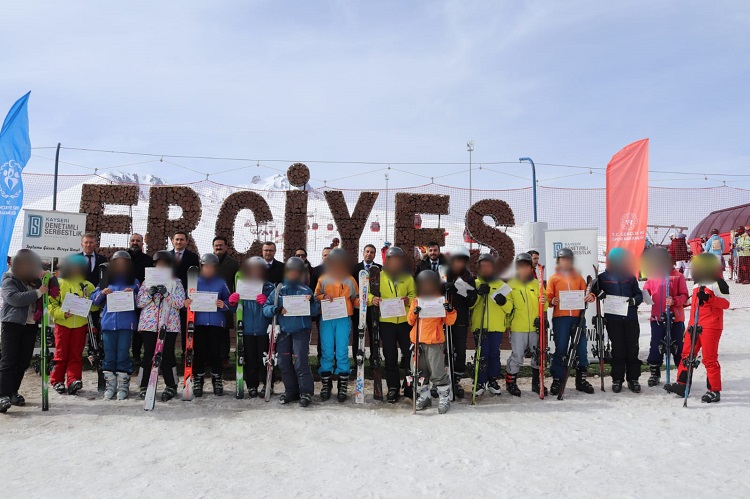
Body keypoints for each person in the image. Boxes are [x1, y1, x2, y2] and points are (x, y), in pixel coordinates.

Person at [665, 253, 730, 403]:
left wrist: (709, 298)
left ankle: (714, 390)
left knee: (709, 358)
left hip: (711, 325)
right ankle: (682, 384)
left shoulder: (718, 282)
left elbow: (726, 303)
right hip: (694, 324)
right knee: (686, 355)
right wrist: (675, 301)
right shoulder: (697, 283)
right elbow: (691, 301)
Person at [263, 257, 320, 407]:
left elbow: (315, 311)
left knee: (301, 361)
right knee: (283, 362)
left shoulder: (305, 290)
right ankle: (291, 390)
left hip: (300, 330)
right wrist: (276, 309)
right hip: (284, 331)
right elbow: (266, 308)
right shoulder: (279, 290)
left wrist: (312, 301)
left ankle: (306, 392)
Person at [0, 250, 48, 412]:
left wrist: (46, 278)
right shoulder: (8, 278)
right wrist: (38, 292)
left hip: (30, 325)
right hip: (12, 324)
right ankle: (2, 395)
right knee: (8, 361)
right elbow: (15, 298)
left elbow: (49, 283)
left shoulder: (32, 279)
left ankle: (13, 392)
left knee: (23, 361)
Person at [592, 248, 643, 393]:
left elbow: (638, 294)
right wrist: (598, 293)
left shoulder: (629, 276)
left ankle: (633, 379)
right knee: (618, 349)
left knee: (632, 349)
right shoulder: (603, 277)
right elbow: (593, 289)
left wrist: (634, 300)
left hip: (630, 318)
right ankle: (617, 379)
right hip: (613, 319)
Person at [368, 246, 416, 403]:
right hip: (386, 322)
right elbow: (366, 293)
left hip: (404, 322)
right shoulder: (378, 277)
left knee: (409, 356)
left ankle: (409, 385)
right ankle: (393, 387)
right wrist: (371, 299)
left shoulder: (407, 277)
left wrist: (409, 300)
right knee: (390, 356)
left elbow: (414, 296)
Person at [546, 248, 596, 396]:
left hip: (578, 317)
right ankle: (557, 379)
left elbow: (587, 292)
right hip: (561, 318)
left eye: (568, 259)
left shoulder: (578, 278)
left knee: (581, 347)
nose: (565, 262)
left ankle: (581, 379)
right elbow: (548, 295)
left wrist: (591, 296)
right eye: (563, 259)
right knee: (561, 348)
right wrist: (552, 300)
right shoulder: (554, 278)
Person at [136, 251, 185, 402]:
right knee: (149, 354)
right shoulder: (146, 282)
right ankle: (144, 385)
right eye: (159, 264)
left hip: (169, 324)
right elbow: (139, 303)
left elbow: (180, 303)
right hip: (149, 323)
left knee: (167, 355)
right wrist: (149, 294)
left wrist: (167, 294)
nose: (161, 266)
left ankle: (171, 385)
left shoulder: (176, 282)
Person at [90, 251, 140, 400]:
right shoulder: (105, 279)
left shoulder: (134, 281)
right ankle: (110, 386)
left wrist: (133, 294)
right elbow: (94, 299)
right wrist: (103, 292)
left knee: (123, 353)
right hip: (108, 322)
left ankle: (123, 386)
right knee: (110, 354)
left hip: (126, 323)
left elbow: (141, 302)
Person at [48, 254, 99, 395]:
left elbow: (95, 307)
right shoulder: (59, 283)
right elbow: (52, 305)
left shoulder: (87, 285)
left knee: (76, 354)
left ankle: (73, 380)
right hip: (63, 324)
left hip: (80, 325)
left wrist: (88, 301)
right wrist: (62, 314)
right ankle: (57, 380)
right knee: (60, 354)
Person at [183, 253, 232, 397]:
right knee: (199, 352)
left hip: (217, 323)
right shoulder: (195, 282)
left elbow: (231, 303)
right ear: (201, 267)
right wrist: (186, 303)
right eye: (206, 267)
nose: (208, 269)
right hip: (199, 323)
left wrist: (224, 304)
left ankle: (217, 378)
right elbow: (186, 301)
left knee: (216, 353)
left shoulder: (221, 282)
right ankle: (198, 378)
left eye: (211, 267)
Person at [408, 270, 457, 414]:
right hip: (418, 342)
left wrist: (450, 310)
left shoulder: (440, 300)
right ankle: (424, 395)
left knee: (437, 371)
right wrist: (415, 312)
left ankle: (444, 397)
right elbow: (410, 321)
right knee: (418, 371)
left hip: (434, 342)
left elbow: (449, 321)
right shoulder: (417, 300)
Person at [314, 248, 359, 402]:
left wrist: (363, 301)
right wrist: (322, 296)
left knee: (341, 351)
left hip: (343, 318)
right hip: (327, 318)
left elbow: (355, 299)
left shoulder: (350, 280)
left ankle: (342, 385)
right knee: (326, 350)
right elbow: (315, 297)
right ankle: (326, 384)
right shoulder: (323, 278)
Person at [642, 247, 689, 387]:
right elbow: (646, 290)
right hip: (657, 317)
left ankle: (682, 375)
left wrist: (674, 301)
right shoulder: (653, 275)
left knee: (678, 346)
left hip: (675, 318)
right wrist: (644, 296)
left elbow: (685, 296)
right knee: (656, 344)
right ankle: (655, 373)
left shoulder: (677, 276)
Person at [228, 257, 274, 398]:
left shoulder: (269, 287)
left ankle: (267, 384)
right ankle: (252, 385)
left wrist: (267, 302)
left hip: (263, 329)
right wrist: (233, 302)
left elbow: (275, 308)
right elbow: (235, 309)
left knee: (265, 359)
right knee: (250, 359)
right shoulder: (242, 285)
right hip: (247, 329)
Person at [470, 253, 512, 396]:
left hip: (496, 326)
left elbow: (510, 308)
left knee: (494, 354)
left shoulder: (501, 285)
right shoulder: (474, 283)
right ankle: (480, 381)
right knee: (482, 354)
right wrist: (477, 294)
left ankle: (492, 379)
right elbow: (469, 305)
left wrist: (503, 302)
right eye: (483, 266)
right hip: (480, 325)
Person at [506, 252, 548, 396]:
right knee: (517, 356)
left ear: (531, 267)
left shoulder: (537, 284)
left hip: (535, 327)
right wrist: (502, 302)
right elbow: (508, 307)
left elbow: (546, 303)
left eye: (526, 266)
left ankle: (536, 384)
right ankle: (511, 383)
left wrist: (544, 302)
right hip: (519, 327)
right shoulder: (511, 284)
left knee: (537, 355)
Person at [442, 246, 477, 398]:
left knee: (459, 350)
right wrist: (444, 287)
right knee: (444, 349)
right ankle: (442, 379)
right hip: (443, 318)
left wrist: (470, 296)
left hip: (460, 319)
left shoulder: (469, 278)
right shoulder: (444, 274)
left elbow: (472, 300)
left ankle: (455, 379)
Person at [170, 230, 200, 355]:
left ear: (186, 241)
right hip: (170, 297)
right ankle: (167, 354)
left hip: (186, 298)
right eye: (176, 239)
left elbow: (195, 277)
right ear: (172, 241)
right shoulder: (166, 256)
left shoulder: (193, 257)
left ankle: (186, 354)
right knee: (168, 328)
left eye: (182, 239)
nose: (179, 242)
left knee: (186, 327)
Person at [351, 244, 382, 357]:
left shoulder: (380, 268)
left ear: (375, 254)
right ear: (363, 252)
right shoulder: (354, 268)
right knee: (358, 333)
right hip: (358, 307)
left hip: (374, 307)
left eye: (372, 252)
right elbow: (352, 287)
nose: (369, 254)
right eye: (367, 251)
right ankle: (357, 358)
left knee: (374, 333)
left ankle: (374, 358)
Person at [213, 236, 240, 366]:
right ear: (213, 247)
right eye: (216, 245)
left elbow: (236, 284)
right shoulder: (206, 261)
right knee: (209, 329)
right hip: (209, 302)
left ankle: (224, 357)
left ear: (226, 247)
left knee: (224, 331)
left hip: (225, 301)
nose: (218, 247)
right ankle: (209, 356)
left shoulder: (234, 264)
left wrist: (233, 300)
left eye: (221, 245)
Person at [127, 232, 153, 364]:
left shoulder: (148, 260)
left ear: (142, 243)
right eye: (133, 240)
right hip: (123, 299)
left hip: (142, 299)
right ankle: (124, 354)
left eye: (138, 241)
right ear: (129, 242)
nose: (135, 243)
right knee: (125, 327)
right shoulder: (123, 258)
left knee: (138, 329)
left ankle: (137, 355)